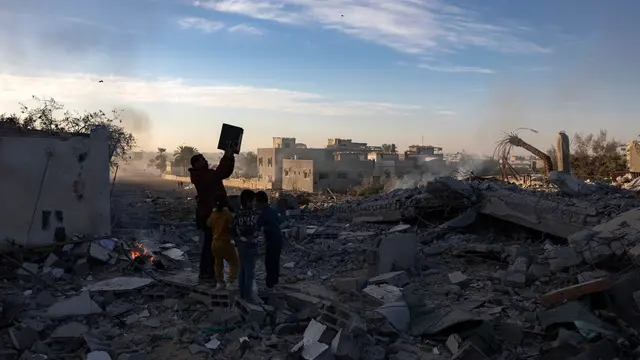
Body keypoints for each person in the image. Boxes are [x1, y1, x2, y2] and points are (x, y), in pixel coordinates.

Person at [189, 150, 235, 282]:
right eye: (202, 160)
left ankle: (209, 272)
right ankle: (207, 272)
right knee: (210, 245)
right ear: (196, 164)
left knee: (212, 245)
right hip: (208, 215)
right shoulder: (200, 176)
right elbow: (220, 173)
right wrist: (227, 156)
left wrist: (230, 157)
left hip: (212, 214)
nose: (205, 161)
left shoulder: (205, 174)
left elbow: (224, 173)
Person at [232, 190, 259, 301]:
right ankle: (247, 297)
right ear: (248, 201)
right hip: (250, 245)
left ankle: (242, 294)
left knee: (242, 270)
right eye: (253, 201)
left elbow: (232, 231)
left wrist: (238, 240)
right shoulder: (252, 214)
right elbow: (253, 230)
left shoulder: (237, 214)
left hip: (240, 245)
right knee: (249, 272)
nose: (254, 203)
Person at [207, 195, 238, 290]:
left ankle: (220, 282)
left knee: (218, 263)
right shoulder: (227, 214)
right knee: (234, 262)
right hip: (225, 242)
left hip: (215, 243)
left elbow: (208, 224)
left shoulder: (213, 215)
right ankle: (231, 281)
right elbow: (232, 226)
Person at [255, 191, 283, 290]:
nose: (255, 205)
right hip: (278, 240)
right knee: (275, 261)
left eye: (256, 203)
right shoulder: (273, 211)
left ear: (261, 202)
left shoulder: (263, 214)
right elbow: (279, 222)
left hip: (271, 241)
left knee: (269, 262)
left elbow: (256, 228)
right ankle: (275, 281)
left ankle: (270, 285)